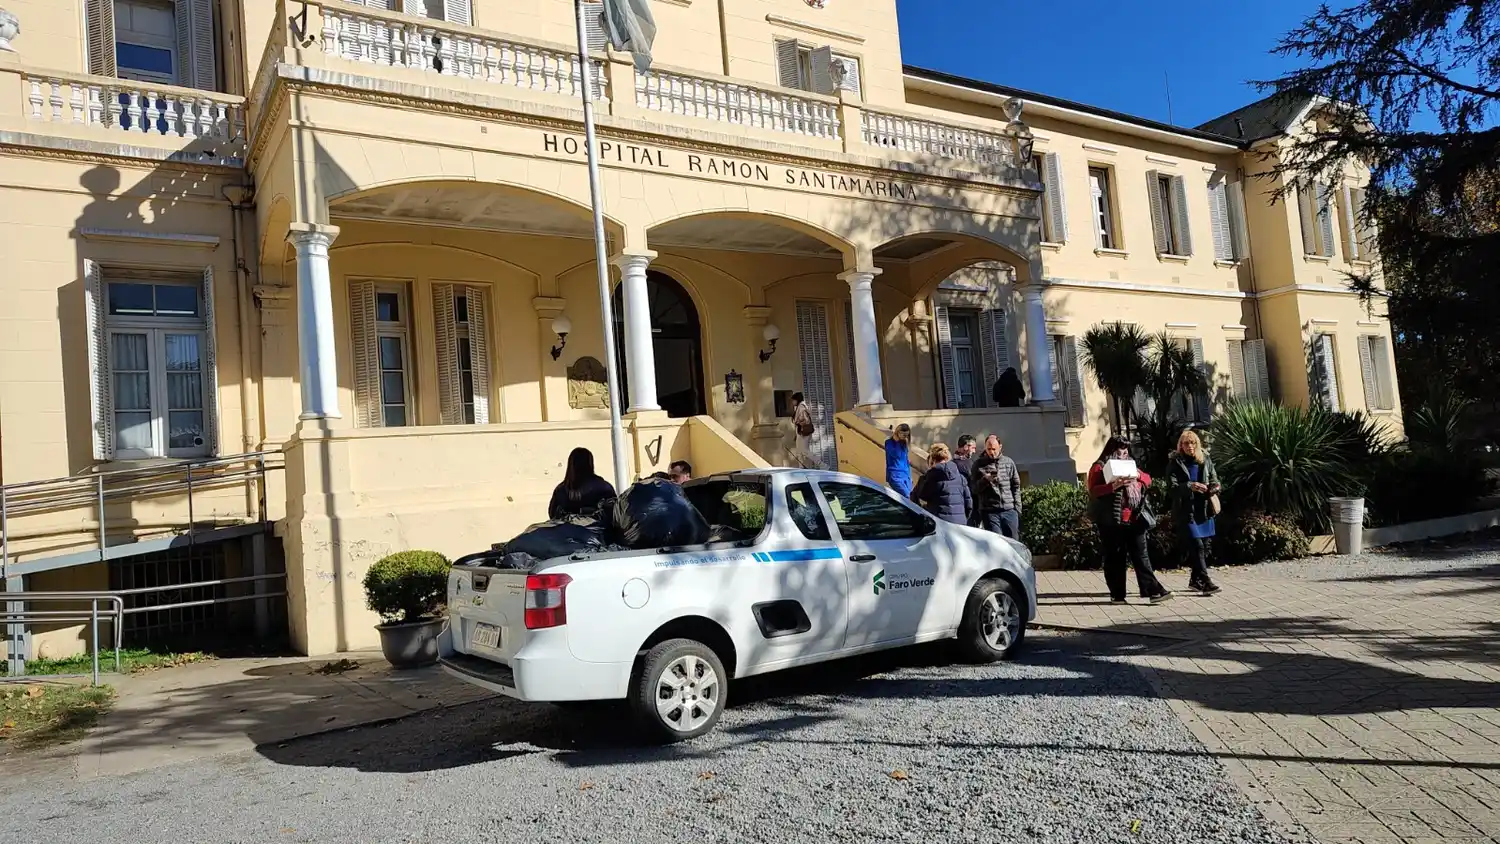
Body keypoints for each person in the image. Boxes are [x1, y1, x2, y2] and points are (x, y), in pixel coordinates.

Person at [1087, 437, 1172, 604]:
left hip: (1135, 518)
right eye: (1119, 450)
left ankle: (1153, 591)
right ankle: (1117, 595)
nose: (1123, 453)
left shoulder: (1130, 465)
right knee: (1115, 558)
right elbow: (1093, 490)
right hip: (1111, 520)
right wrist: (1113, 486)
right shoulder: (1100, 466)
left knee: (1141, 555)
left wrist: (1138, 476)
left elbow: (1148, 479)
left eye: (1125, 450)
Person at [1169, 430, 1223, 595]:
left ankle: (1195, 580)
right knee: (1197, 545)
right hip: (1186, 510)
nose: (1190, 446)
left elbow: (1215, 479)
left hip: (1204, 509)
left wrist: (1214, 487)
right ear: (1181, 445)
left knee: (1204, 547)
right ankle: (1206, 581)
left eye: (1193, 443)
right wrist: (1190, 486)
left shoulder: (1205, 459)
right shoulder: (1175, 462)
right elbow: (1171, 487)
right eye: (1186, 443)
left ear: (1197, 444)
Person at [970, 434, 1022, 538]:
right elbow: (974, 489)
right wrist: (985, 480)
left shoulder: (1008, 463)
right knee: (997, 542)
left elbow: (1016, 486)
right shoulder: (978, 465)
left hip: (1009, 510)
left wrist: (1017, 508)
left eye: (994, 449)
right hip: (990, 512)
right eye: (989, 449)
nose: (991, 452)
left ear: (1000, 447)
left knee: (1013, 542)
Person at [548, 447, 617, 520]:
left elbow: (553, 515)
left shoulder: (561, 491)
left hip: (567, 527)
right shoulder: (604, 488)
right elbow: (614, 514)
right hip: (599, 527)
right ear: (590, 464)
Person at [912, 442, 971, 525]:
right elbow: (969, 505)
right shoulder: (961, 478)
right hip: (959, 524)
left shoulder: (930, 477)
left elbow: (917, 496)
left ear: (932, 460)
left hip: (938, 523)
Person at [884, 423, 913, 497]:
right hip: (895, 476)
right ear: (898, 433)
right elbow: (897, 455)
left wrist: (909, 476)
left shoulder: (904, 443)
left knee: (911, 497)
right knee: (907, 497)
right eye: (904, 435)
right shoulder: (889, 443)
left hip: (906, 475)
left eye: (907, 435)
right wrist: (896, 441)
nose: (905, 437)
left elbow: (906, 460)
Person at [791, 392, 817, 468]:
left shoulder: (801, 407)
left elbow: (805, 421)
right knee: (800, 451)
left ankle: (819, 463)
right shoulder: (799, 407)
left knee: (804, 451)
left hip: (803, 432)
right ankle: (802, 467)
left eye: (793, 400)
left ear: (797, 400)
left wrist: (798, 423)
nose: (792, 402)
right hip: (800, 432)